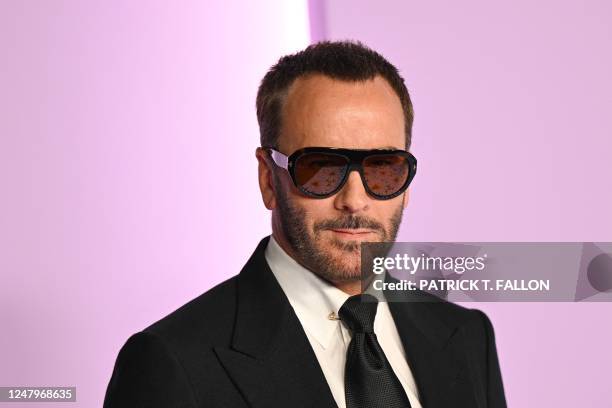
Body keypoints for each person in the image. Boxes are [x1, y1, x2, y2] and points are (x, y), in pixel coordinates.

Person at [104, 40, 507, 408]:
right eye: (321, 168)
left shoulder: (467, 338)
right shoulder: (172, 362)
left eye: (383, 167)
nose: (354, 199)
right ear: (268, 179)